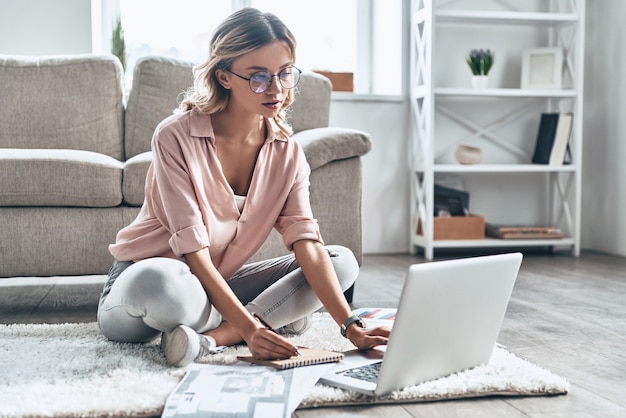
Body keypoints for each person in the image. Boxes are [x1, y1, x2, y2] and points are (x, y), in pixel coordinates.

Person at [97, 7, 390, 367]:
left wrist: (350, 325)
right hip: (146, 284)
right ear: (224, 77)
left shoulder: (289, 153)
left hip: (215, 285)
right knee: (162, 282)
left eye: (284, 73)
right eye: (259, 77)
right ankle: (268, 318)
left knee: (340, 261)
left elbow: (307, 243)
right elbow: (193, 252)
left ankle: (210, 339)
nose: (277, 89)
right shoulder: (175, 136)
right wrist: (251, 329)